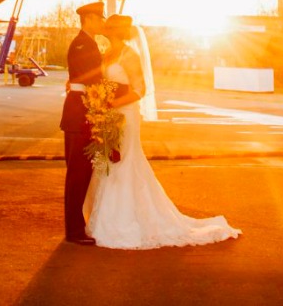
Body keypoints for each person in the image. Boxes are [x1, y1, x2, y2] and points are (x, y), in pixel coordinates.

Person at [85, 13, 241, 249]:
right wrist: (101, 105)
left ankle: (125, 221)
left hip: (125, 115)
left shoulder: (130, 55)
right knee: (109, 162)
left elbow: (140, 89)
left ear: (115, 31)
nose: (104, 28)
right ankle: (106, 218)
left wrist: (112, 104)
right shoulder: (107, 54)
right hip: (108, 115)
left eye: (108, 26)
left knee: (124, 161)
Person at [60, 0, 107, 245]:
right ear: (88, 18)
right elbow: (91, 80)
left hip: (80, 113)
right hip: (80, 114)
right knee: (77, 174)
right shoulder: (82, 44)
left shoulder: (87, 42)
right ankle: (74, 231)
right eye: (100, 18)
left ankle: (76, 228)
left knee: (80, 173)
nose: (102, 22)